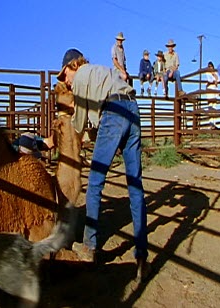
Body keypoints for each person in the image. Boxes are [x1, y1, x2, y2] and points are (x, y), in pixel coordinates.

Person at [56, 49, 150, 281]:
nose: (65, 80)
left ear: (73, 66)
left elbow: (79, 124)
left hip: (114, 113)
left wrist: (54, 138)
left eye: (64, 73)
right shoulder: (103, 72)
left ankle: (89, 247)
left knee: (96, 182)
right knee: (135, 187)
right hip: (133, 110)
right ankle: (141, 256)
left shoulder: (80, 78)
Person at [206, 61, 220, 129]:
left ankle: (214, 123)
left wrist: (215, 76)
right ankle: (211, 123)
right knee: (210, 106)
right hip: (210, 89)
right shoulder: (207, 73)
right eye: (209, 66)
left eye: (211, 66)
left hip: (215, 89)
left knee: (215, 106)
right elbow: (211, 80)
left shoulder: (215, 72)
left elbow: (218, 80)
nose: (210, 68)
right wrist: (215, 78)